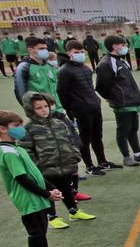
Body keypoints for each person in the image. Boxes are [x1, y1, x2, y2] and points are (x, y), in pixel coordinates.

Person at [0, 109, 74, 247]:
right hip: (28, 199)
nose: (21, 128)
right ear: (1, 129)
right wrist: (46, 193)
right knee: (36, 232)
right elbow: (22, 178)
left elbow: (35, 173)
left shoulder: (16, 148)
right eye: (16, 125)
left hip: (36, 197)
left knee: (41, 230)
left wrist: (50, 188)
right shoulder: (7, 152)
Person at [19, 92, 94, 229]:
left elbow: (71, 141)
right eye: (39, 108)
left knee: (67, 188)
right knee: (50, 193)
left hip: (65, 165)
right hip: (45, 170)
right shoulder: (29, 129)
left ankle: (74, 211)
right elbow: (26, 150)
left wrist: (75, 155)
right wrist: (37, 165)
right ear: (30, 110)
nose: (44, 110)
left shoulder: (59, 124)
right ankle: (52, 217)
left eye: (45, 106)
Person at [95, 34, 140, 167]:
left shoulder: (121, 60)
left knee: (133, 128)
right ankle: (126, 156)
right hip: (122, 103)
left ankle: (138, 154)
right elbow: (101, 86)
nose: (125, 47)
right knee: (123, 130)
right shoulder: (106, 63)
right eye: (123, 45)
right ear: (114, 46)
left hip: (131, 101)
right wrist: (113, 98)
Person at [58, 41, 107, 174]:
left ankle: (102, 162)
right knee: (85, 138)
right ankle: (89, 166)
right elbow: (62, 93)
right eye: (76, 52)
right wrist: (69, 110)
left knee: (97, 135)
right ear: (69, 54)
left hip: (94, 106)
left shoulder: (85, 68)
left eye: (81, 52)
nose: (79, 55)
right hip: (81, 108)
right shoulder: (65, 71)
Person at [12, 37, 59, 108]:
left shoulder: (49, 65)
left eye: (45, 48)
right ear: (30, 50)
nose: (45, 51)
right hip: (40, 109)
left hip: (57, 108)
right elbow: (20, 91)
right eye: (41, 49)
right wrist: (30, 109)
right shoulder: (24, 67)